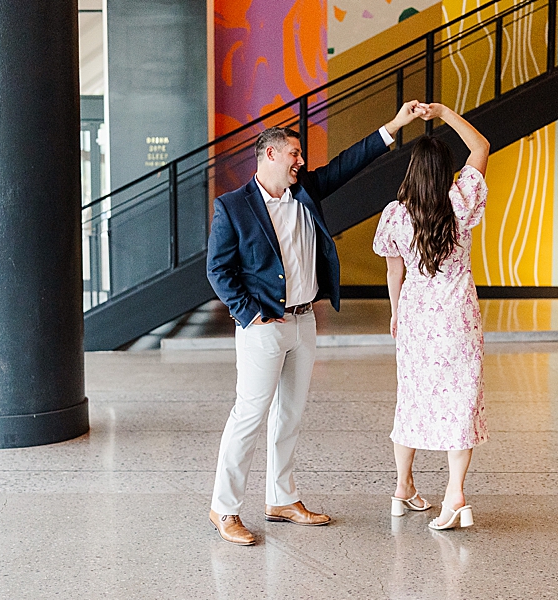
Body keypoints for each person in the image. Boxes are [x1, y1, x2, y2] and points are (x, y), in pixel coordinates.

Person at [206, 101, 425, 545]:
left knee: (290, 415)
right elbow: (218, 270)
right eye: (294, 154)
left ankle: (281, 499)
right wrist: (250, 315)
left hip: (305, 322)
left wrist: (394, 124)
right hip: (262, 326)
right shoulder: (232, 207)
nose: (301, 162)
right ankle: (225, 509)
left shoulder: (304, 189)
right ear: (270, 155)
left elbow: (348, 163)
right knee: (249, 415)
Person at [372, 102, 490, 530]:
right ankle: (454, 496)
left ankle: (403, 489)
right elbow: (481, 145)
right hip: (458, 318)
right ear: (445, 171)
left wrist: (394, 314)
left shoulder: (395, 215)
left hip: (416, 319)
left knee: (412, 402)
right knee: (460, 403)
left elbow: (393, 270)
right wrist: (443, 112)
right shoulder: (461, 199)